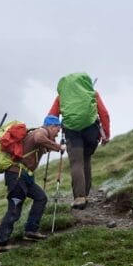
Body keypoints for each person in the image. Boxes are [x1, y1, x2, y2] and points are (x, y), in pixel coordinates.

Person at [0, 116, 65, 252]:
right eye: (58, 129)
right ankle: (1, 244)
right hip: (17, 175)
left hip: (25, 176)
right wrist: (58, 147)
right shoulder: (41, 132)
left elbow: (38, 145)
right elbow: (39, 139)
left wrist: (54, 145)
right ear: (52, 126)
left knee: (41, 197)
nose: (58, 132)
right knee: (14, 210)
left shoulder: (40, 134)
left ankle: (31, 231)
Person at [47, 73, 111, 209]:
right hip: (91, 131)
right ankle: (86, 194)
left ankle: (79, 197)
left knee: (77, 163)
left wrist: (49, 137)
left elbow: (51, 116)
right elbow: (104, 114)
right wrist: (106, 134)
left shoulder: (61, 97)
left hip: (72, 132)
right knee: (86, 160)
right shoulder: (92, 93)